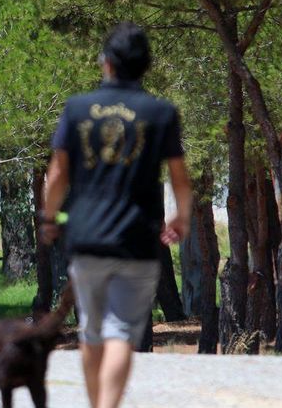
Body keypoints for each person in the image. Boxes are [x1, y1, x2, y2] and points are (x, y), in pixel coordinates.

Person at [40, 22, 192, 408]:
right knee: (122, 332)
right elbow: (179, 176)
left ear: (106, 63)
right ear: (146, 66)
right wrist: (182, 218)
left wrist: (49, 216)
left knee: (91, 331)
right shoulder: (160, 112)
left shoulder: (77, 108)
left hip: (86, 237)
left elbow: (58, 172)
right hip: (137, 241)